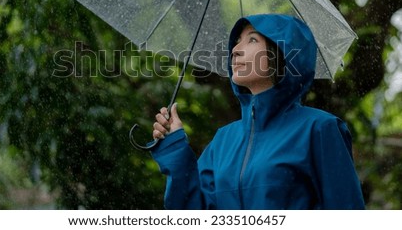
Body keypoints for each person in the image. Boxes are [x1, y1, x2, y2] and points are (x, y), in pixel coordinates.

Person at [150, 14, 365, 209]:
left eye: (252, 40)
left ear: (282, 52)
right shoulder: (223, 139)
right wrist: (176, 147)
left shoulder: (319, 129)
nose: (235, 50)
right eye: (236, 42)